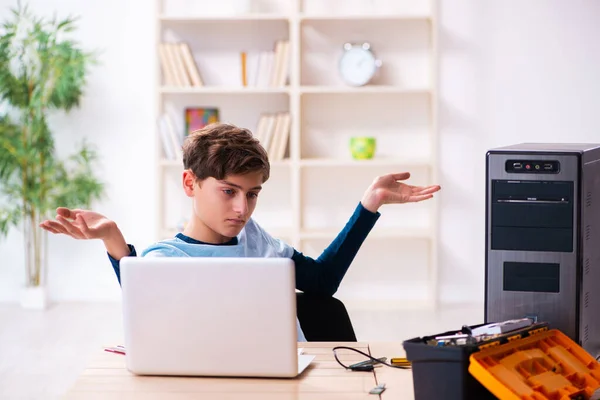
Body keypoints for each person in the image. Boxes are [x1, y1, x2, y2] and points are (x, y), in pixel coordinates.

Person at [40, 123, 441, 342]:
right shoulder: (166, 258)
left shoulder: (255, 238)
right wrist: (113, 241)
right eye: (228, 192)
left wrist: (368, 205)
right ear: (189, 183)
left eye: (252, 195)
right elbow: (149, 311)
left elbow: (320, 283)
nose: (241, 209)